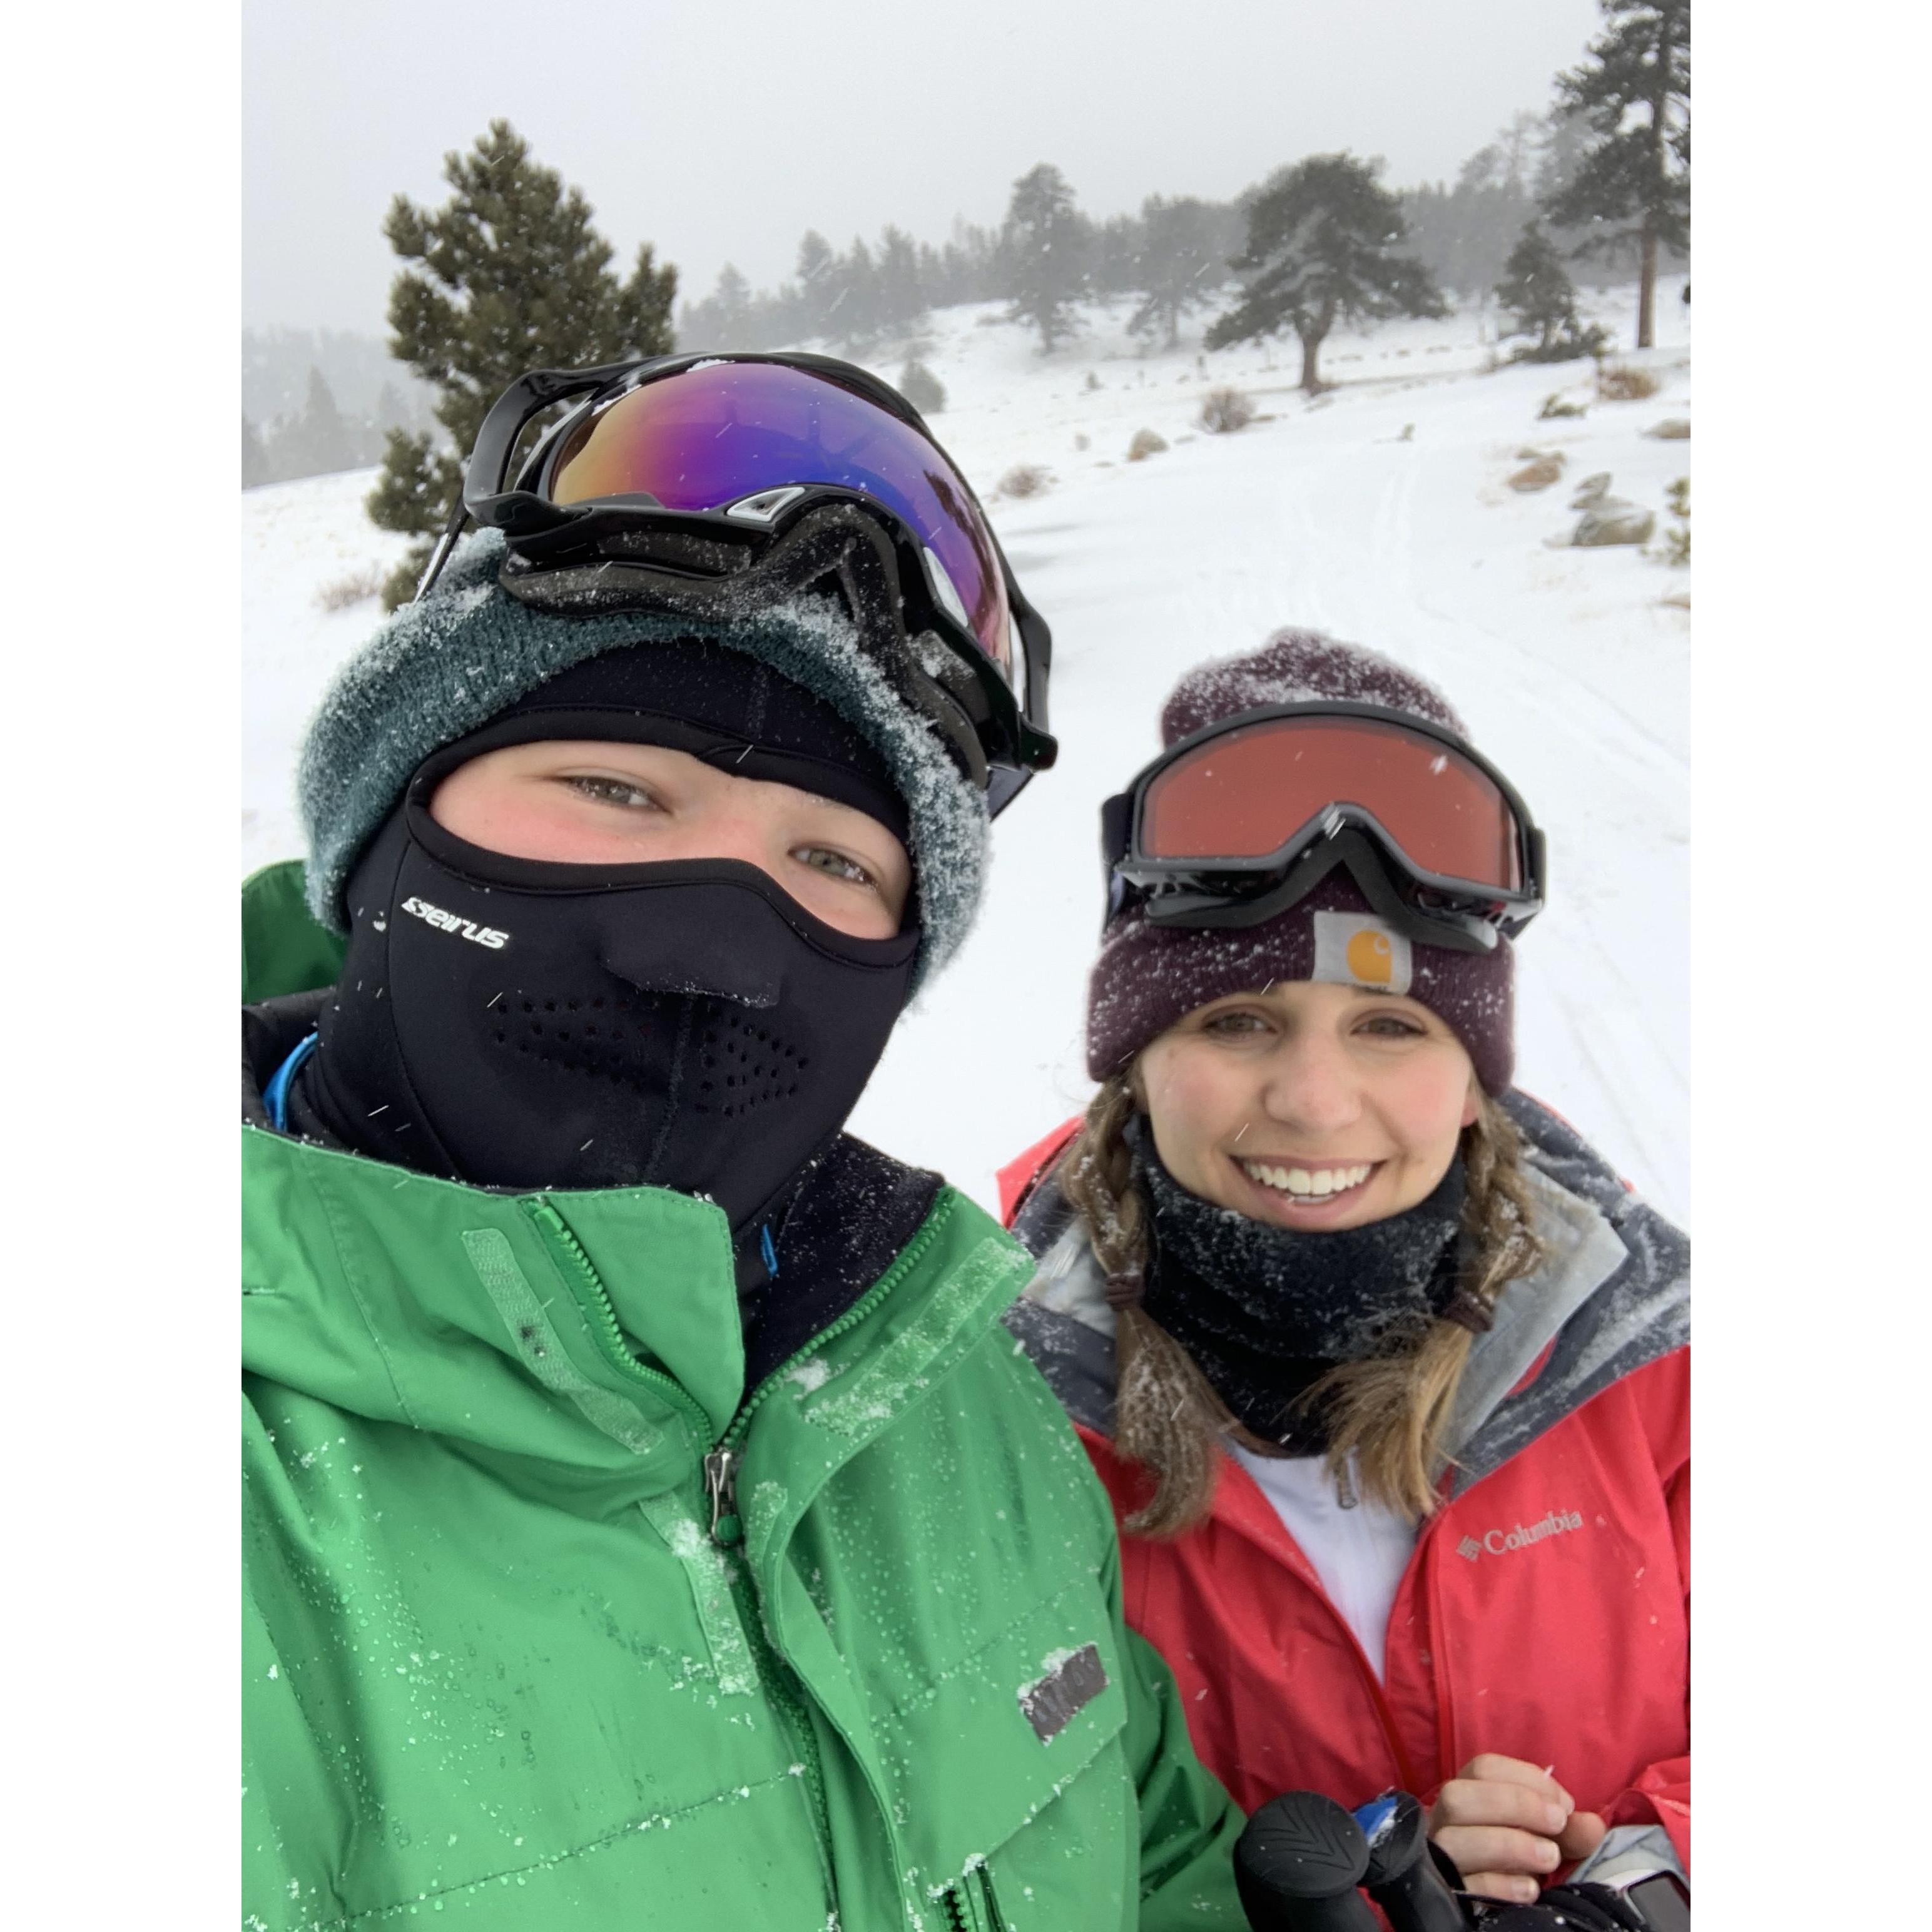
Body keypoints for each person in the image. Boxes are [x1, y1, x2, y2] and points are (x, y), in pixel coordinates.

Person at [243, 353, 1248, 1931]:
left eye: (829, 858)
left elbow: (1158, 1861)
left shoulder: (950, 1390)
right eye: (614, 787)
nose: (714, 943)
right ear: (388, 829)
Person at [1002, 631, 1689, 1911]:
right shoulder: (980, 1403)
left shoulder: (1652, 1361)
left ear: (1478, 1081)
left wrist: (1650, 1875)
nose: (1316, 1103)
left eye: (1390, 1025)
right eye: (1236, 1018)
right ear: (1132, 1058)